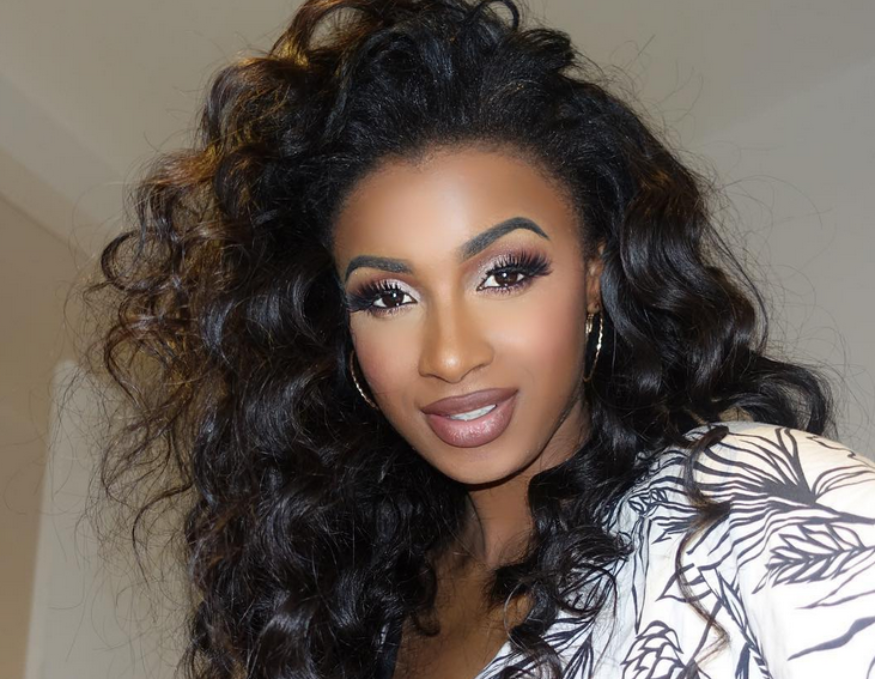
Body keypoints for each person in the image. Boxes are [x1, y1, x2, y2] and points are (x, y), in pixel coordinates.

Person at [77, 0, 875, 677]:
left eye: (505, 273)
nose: (450, 355)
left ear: (593, 276)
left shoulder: (753, 510)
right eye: (387, 295)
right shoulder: (347, 605)